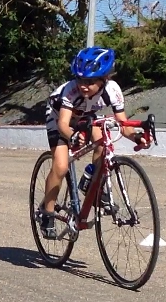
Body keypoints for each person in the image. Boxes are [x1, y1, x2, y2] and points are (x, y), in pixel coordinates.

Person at [36, 47, 150, 240]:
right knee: (61, 166)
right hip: (58, 117)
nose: (83, 86)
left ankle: (90, 181)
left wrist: (138, 137)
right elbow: (63, 123)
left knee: (103, 142)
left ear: (104, 79)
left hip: (86, 116)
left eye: (89, 82)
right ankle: (47, 213)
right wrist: (72, 136)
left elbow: (123, 124)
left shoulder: (113, 90)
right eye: (80, 79)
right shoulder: (71, 90)